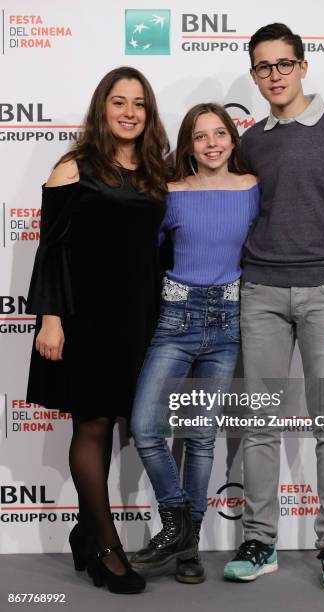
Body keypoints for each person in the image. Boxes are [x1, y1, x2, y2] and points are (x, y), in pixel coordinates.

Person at [223, 23, 324, 590]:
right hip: (260, 293)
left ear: (303, 66)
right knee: (259, 424)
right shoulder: (252, 141)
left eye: (282, 64)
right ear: (254, 73)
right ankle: (259, 540)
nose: (273, 76)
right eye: (263, 67)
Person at [26, 66, 170, 594]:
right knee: (90, 425)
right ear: (102, 108)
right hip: (82, 318)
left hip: (138, 320)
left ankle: (85, 535)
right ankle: (107, 548)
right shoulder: (74, 166)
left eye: (139, 103)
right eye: (119, 102)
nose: (130, 112)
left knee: (111, 423)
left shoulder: (157, 170)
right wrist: (51, 318)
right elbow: (53, 248)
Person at [129, 103, 259, 584]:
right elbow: (143, 252)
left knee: (201, 438)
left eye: (220, 133)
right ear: (187, 145)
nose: (211, 143)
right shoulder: (171, 193)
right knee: (145, 426)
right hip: (176, 318)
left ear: (232, 139)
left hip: (226, 322)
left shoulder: (252, 190)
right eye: (200, 136)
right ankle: (178, 521)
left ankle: (189, 549)